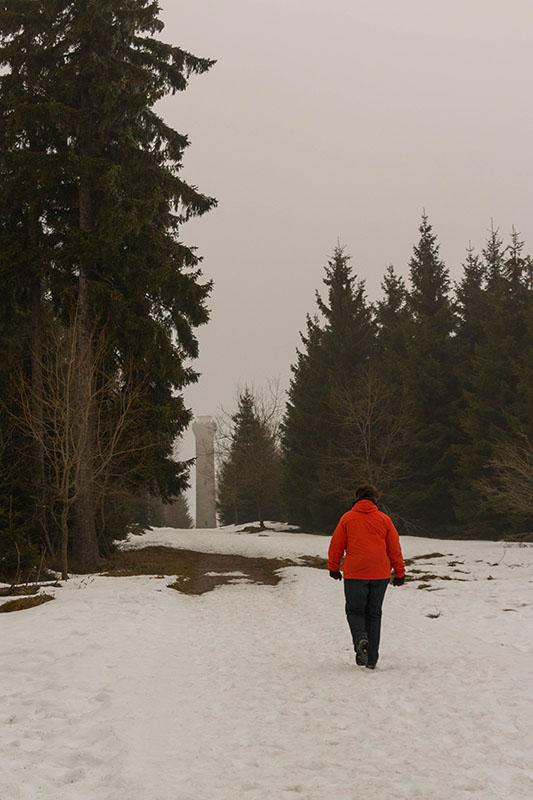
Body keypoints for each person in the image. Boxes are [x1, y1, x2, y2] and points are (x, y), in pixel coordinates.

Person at [328, 484, 405, 670]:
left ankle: (360, 638)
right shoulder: (384, 519)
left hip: (355, 573)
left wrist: (333, 567)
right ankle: (371, 660)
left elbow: (336, 545)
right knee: (374, 614)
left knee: (355, 611)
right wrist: (400, 572)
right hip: (380, 574)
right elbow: (394, 547)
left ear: (357, 498)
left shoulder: (347, 518)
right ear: (375, 499)